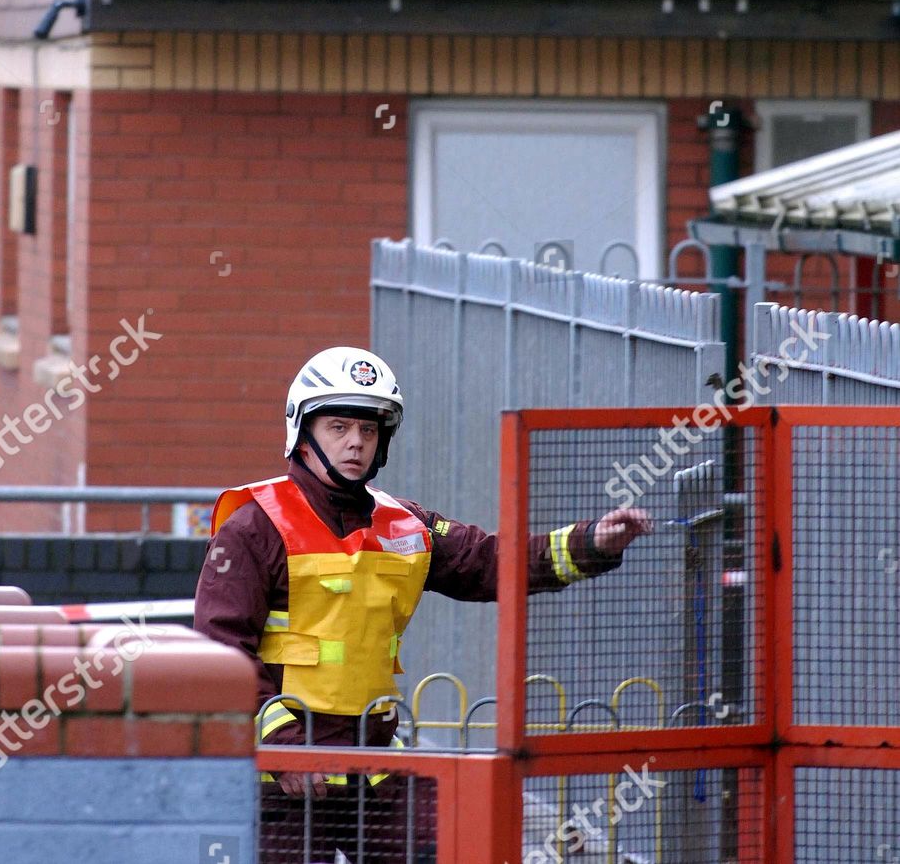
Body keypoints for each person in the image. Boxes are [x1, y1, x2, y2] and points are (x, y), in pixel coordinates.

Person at [194, 346, 652, 863]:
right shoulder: (254, 527)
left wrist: (593, 543)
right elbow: (219, 654)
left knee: (452, 849)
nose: (355, 444)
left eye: (369, 431)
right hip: (286, 780)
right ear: (303, 431)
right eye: (338, 427)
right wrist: (282, 747)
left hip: (376, 770)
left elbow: (489, 561)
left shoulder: (406, 523)